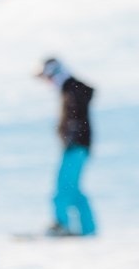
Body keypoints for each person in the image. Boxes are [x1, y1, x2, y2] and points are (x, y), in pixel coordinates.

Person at [35, 57, 96, 237]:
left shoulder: (72, 89)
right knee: (74, 189)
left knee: (63, 187)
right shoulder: (69, 89)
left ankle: (63, 224)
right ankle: (88, 229)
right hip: (77, 146)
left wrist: (70, 135)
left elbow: (77, 112)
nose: (47, 82)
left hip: (75, 147)